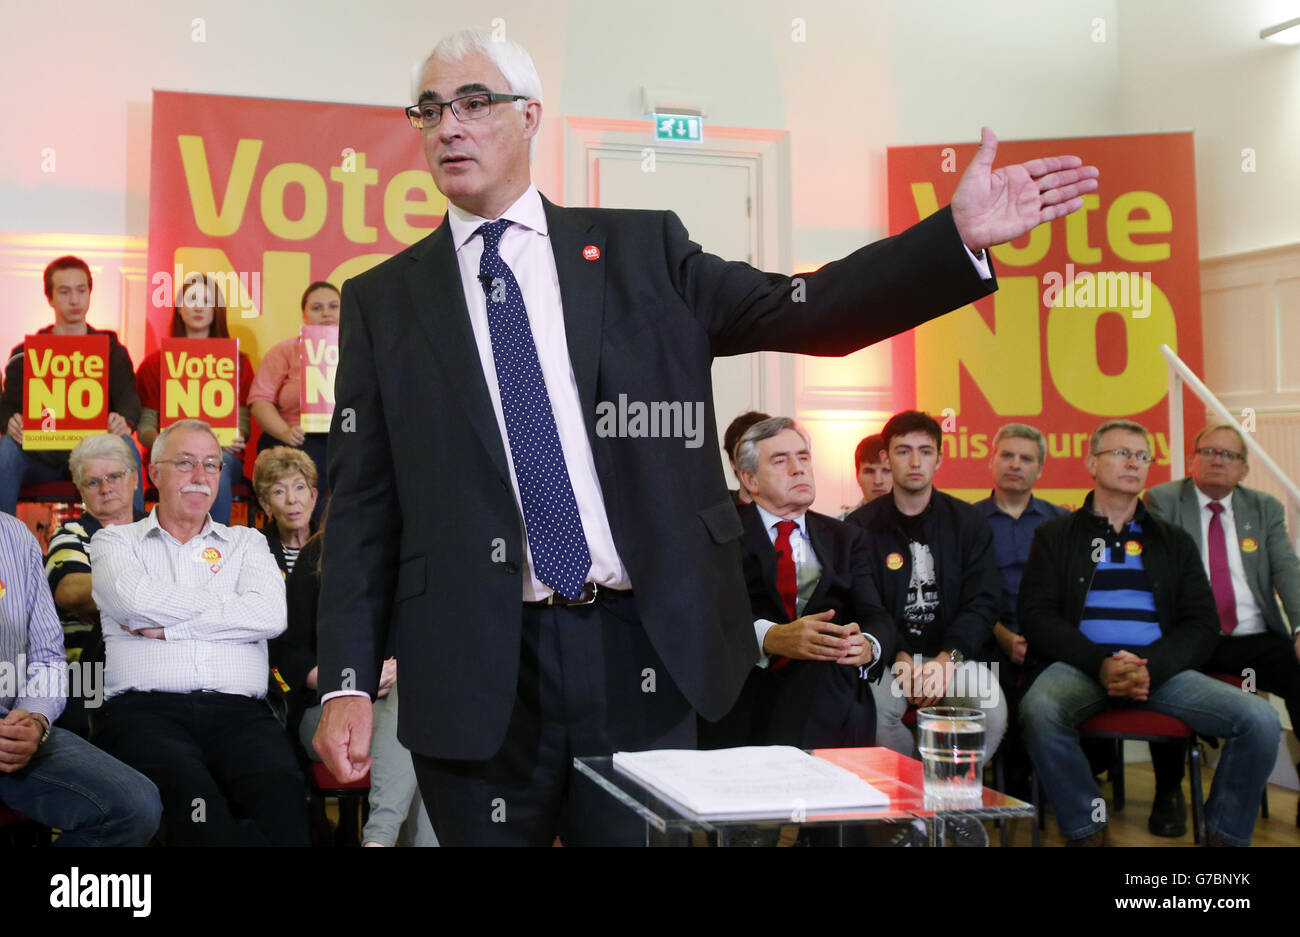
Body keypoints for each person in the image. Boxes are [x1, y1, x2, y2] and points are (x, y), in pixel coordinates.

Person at [313, 27, 1098, 846]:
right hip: (475, 662)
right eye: (430, 110)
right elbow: (364, 506)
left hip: (638, 649)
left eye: (474, 103)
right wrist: (345, 680)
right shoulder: (384, 301)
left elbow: (809, 306)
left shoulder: (642, 251)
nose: (449, 126)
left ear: (531, 116)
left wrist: (954, 239)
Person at [1019, 419, 1280, 846]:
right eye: (1122, 453)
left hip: (1156, 670)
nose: (1134, 463)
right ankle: (1087, 829)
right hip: (1080, 666)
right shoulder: (1056, 535)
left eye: (1142, 457)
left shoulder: (1173, 540)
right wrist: (1100, 664)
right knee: (1040, 711)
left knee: (1261, 720)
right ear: (1092, 462)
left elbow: (1203, 624)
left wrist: (1150, 669)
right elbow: (1036, 615)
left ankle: (1224, 837)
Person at [88, 418, 309, 845]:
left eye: (211, 465)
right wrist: (229, 612)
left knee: (283, 799)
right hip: (145, 714)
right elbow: (134, 602)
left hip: (242, 716)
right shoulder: (115, 542)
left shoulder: (246, 543)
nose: (200, 477)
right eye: (185, 463)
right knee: (198, 808)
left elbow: (269, 615)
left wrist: (169, 629)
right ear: (154, 473)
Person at [1143, 423, 1300, 835]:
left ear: (1244, 470)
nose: (1217, 459)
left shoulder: (1264, 508)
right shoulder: (1163, 501)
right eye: (1208, 451)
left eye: (1228, 455)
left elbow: (1287, 569)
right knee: (1166, 678)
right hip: (1192, 634)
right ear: (1192, 460)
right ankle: (1169, 792)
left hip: (1255, 636)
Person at [702, 417, 893, 751]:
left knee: (826, 677)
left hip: (829, 687)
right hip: (748, 684)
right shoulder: (721, 536)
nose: (798, 469)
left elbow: (876, 615)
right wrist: (771, 637)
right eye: (780, 460)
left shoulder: (847, 538)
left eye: (803, 457)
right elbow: (705, 616)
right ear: (750, 479)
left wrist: (867, 644)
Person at [845, 410, 1007, 759]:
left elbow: (984, 602)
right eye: (903, 451)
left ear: (940, 458)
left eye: (926, 451)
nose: (915, 461)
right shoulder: (859, 527)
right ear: (887, 458)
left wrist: (947, 659)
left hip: (955, 656)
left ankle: (949, 798)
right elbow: (865, 604)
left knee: (990, 707)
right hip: (887, 659)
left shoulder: (969, 523)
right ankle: (917, 801)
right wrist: (899, 656)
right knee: (869, 715)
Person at [0, 512, 161, 845]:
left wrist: (35, 718)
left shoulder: (15, 536)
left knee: (136, 806)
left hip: (12, 725)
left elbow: (47, 657)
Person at [275, 523, 437, 847]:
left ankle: (377, 840)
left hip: (400, 710)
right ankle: (379, 838)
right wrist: (352, 684)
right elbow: (288, 659)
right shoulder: (316, 557)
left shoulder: (418, 558)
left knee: (414, 713)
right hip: (327, 713)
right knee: (421, 735)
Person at [0, 256, 144, 516]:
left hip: (95, 457)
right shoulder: (25, 353)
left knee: (126, 443)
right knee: (7, 448)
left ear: (90, 293)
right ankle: (5, 546)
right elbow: (7, 405)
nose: (75, 300)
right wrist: (9, 421)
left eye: (81, 290)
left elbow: (129, 399)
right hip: (39, 457)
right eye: (64, 292)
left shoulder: (111, 349)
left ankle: (134, 541)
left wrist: (125, 421)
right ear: (50, 298)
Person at [971, 423, 1067, 795]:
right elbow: (966, 594)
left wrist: (1039, 637)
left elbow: (1069, 594)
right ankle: (1015, 790)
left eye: (1026, 458)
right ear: (991, 460)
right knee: (1001, 689)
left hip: (1046, 639)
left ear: (1040, 469)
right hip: (988, 638)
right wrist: (1005, 637)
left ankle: (1051, 786)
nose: (1015, 464)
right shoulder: (967, 521)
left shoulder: (1061, 523)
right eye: (1007, 455)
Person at [44, 433, 147, 738]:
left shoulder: (160, 529)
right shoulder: (71, 533)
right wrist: (155, 595)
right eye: (93, 482)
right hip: (90, 675)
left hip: (158, 666)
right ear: (81, 491)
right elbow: (72, 591)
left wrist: (106, 603)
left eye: (114, 476)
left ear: (134, 480)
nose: (106, 488)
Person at [135, 272, 255, 526]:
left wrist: (238, 435)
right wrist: (165, 446)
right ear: (179, 308)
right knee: (180, 467)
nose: (199, 306)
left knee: (214, 470)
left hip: (221, 453)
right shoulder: (155, 363)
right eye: (191, 299)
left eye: (206, 301)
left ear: (217, 309)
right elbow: (145, 424)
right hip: (170, 456)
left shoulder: (238, 363)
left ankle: (212, 549)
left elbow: (242, 422)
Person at [247, 281, 339, 522]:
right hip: (296, 438)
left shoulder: (360, 350)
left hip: (344, 436)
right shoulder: (284, 351)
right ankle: (308, 545)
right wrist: (286, 432)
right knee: (307, 465)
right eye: (317, 307)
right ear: (304, 314)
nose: (326, 313)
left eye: (333, 306)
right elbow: (260, 401)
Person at [252, 446, 318, 577]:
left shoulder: (333, 545)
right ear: (266, 505)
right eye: (279, 491)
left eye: (299, 487)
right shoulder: (254, 547)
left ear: (313, 497)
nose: (292, 499)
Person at [722, 410, 771, 507]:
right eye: (746, 452)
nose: (756, 461)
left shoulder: (802, 517)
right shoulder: (717, 514)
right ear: (733, 462)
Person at [839, 433, 890, 518]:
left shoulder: (917, 526)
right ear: (857, 476)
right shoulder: (840, 527)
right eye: (869, 472)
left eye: (886, 471)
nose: (878, 481)